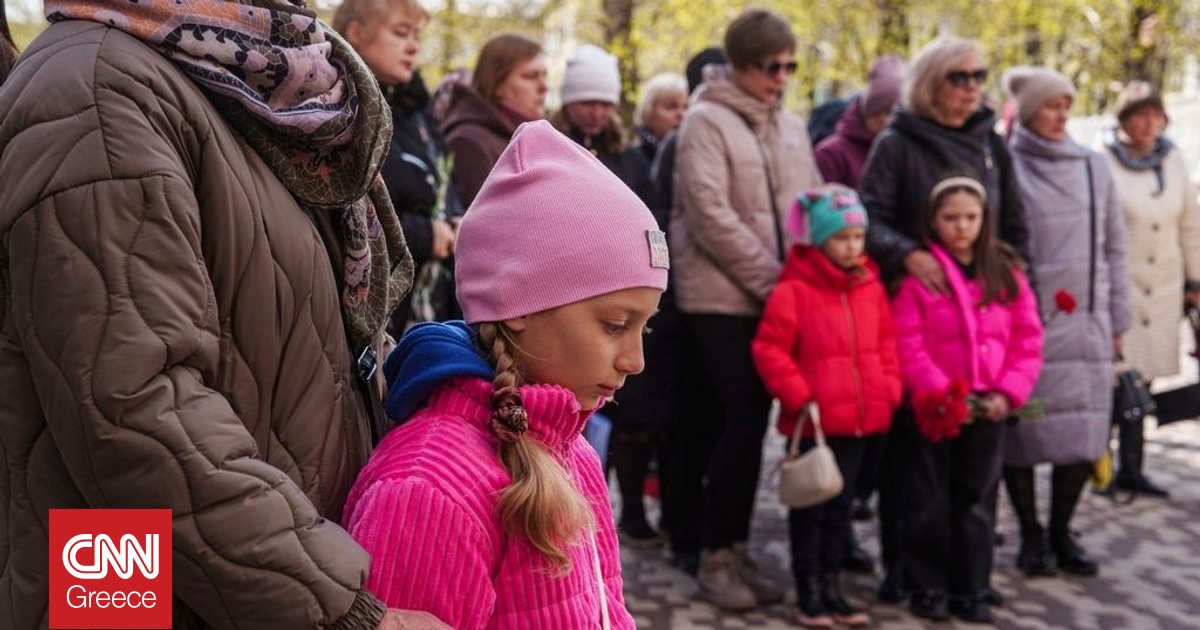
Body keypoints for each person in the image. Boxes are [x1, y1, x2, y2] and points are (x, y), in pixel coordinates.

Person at [0, 2, 455, 628]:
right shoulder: (97, 87)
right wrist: (342, 609)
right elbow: (136, 410)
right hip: (157, 595)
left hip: (263, 575)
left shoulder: (248, 81)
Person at [343, 120, 662, 630]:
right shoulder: (426, 490)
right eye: (615, 325)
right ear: (518, 301)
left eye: (643, 328)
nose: (634, 360)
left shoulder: (568, 445)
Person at [857, 36, 1029, 606]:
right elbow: (868, 220)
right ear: (931, 83)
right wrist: (907, 253)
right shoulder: (897, 142)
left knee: (973, 478)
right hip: (919, 320)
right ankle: (909, 575)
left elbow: (1015, 226)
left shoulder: (990, 142)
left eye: (980, 75)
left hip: (983, 324)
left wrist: (1011, 285)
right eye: (960, 77)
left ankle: (967, 579)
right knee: (915, 469)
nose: (973, 86)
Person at [670, 8, 822, 611]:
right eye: (769, 66)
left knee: (734, 424)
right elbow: (710, 217)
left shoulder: (791, 125)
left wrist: (810, 276)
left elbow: (808, 204)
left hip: (778, 295)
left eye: (790, 65)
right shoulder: (704, 121)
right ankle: (714, 556)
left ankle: (726, 542)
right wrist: (776, 280)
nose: (781, 77)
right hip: (720, 297)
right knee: (739, 421)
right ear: (737, 64)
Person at [891, 175, 1043, 623]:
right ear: (933, 221)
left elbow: (1027, 340)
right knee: (928, 500)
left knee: (978, 500)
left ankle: (972, 585)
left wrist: (1008, 392)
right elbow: (909, 341)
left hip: (989, 407)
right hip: (938, 408)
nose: (961, 226)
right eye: (950, 218)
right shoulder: (921, 276)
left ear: (985, 219)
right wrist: (939, 393)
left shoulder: (1005, 272)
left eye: (970, 217)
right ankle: (928, 585)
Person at [1001, 66, 1132, 578]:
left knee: (1081, 434)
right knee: (1025, 432)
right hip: (1029, 332)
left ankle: (1061, 530)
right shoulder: (1007, 164)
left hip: (1088, 328)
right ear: (1029, 111)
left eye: (1066, 105)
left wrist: (1118, 317)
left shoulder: (1092, 167)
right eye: (1050, 105)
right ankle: (1030, 535)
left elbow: (1115, 246)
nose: (1061, 115)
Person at [752, 186, 901, 628]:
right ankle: (808, 591)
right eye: (841, 237)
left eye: (858, 236)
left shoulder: (870, 287)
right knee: (811, 508)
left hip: (860, 420)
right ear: (818, 240)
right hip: (816, 423)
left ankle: (833, 587)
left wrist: (889, 389)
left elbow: (887, 343)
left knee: (841, 509)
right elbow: (770, 349)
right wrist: (800, 394)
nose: (852, 246)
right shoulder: (794, 290)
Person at [335, 0, 465, 331]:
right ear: (357, 33)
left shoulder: (418, 112)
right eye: (400, 33)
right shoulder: (339, 110)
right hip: (371, 313)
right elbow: (335, 209)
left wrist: (458, 222)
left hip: (431, 304)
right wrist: (421, 235)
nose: (413, 46)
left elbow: (444, 183)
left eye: (417, 36)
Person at [1099, 80, 1200, 498]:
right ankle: (1098, 464)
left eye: (1156, 115)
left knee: (1146, 382)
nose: (1149, 124)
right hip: (1122, 285)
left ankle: (1133, 469)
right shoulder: (1102, 161)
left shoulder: (1172, 159)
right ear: (1124, 118)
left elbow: (1190, 223)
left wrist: (1195, 282)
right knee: (1115, 379)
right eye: (1141, 115)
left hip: (1164, 288)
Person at [441, 33, 547, 206]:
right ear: (497, 85)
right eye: (530, 76)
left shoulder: (529, 135)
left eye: (544, 76)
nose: (544, 87)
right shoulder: (469, 141)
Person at [549, 44, 653, 203]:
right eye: (587, 103)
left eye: (605, 104)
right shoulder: (546, 153)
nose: (597, 114)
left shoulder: (632, 160)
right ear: (567, 104)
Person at [814, 56, 906, 188]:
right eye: (888, 113)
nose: (892, 121)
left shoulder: (903, 154)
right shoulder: (831, 155)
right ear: (872, 112)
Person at [632, 72, 688, 164]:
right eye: (671, 107)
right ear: (648, 111)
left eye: (686, 107)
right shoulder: (630, 160)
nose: (681, 114)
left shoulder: (699, 156)